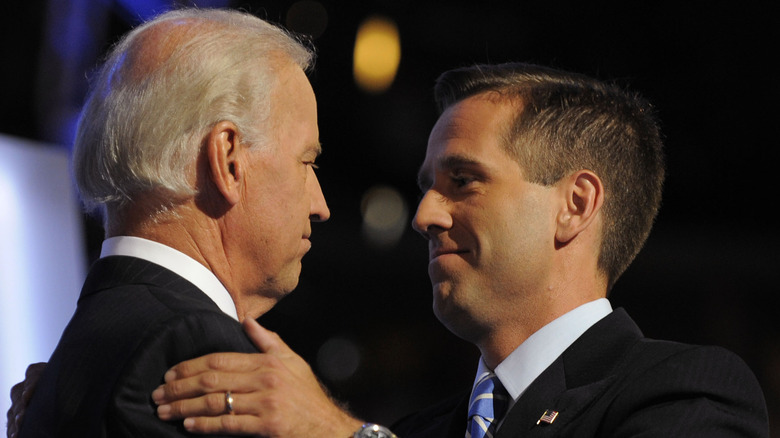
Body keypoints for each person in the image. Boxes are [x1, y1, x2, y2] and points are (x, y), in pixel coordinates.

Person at [146, 62, 769, 437]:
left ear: (575, 204)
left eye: (463, 182)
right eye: (426, 188)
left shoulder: (689, 396)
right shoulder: (419, 430)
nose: (425, 215)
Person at [13, 8, 366, 438]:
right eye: (306, 162)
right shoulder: (193, 348)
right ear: (228, 160)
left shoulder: (84, 346)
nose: (320, 205)